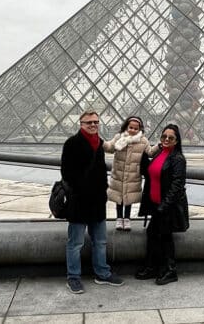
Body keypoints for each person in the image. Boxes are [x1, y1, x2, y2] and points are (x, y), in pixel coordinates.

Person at [61, 110, 123, 294]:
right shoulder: (72, 143)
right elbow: (66, 172)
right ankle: (73, 277)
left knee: (101, 241)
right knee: (75, 243)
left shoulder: (99, 143)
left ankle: (102, 273)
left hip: (97, 201)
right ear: (81, 124)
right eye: (89, 122)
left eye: (96, 121)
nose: (93, 125)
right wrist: (79, 191)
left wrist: (103, 190)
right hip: (79, 201)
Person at [136, 124, 190, 285]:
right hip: (156, 205)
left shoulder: (178, 159)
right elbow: (150, 173)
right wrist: (142, 156)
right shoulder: (160, 153)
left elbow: (177, 185)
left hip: (167, 207)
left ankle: (170, 270)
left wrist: (164, 206)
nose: (166, 139)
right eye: (163, 136)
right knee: (153, 234)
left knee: (165, 237)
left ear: (176, 141)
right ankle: (154, 267)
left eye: (170, 137)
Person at [103, 116, 150, 232]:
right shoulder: (119, 137)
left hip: (133, 175)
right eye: (131, 127)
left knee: (129, 197)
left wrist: (159, 147)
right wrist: (100, 142)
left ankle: (127, 219)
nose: (133, 130)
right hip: (119, 174)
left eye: (136, 128)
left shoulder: (143, 141)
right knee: (119, 197)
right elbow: (109, 147)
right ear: (126, 127)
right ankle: (119, 218)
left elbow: (150, 151)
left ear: (140, 129)